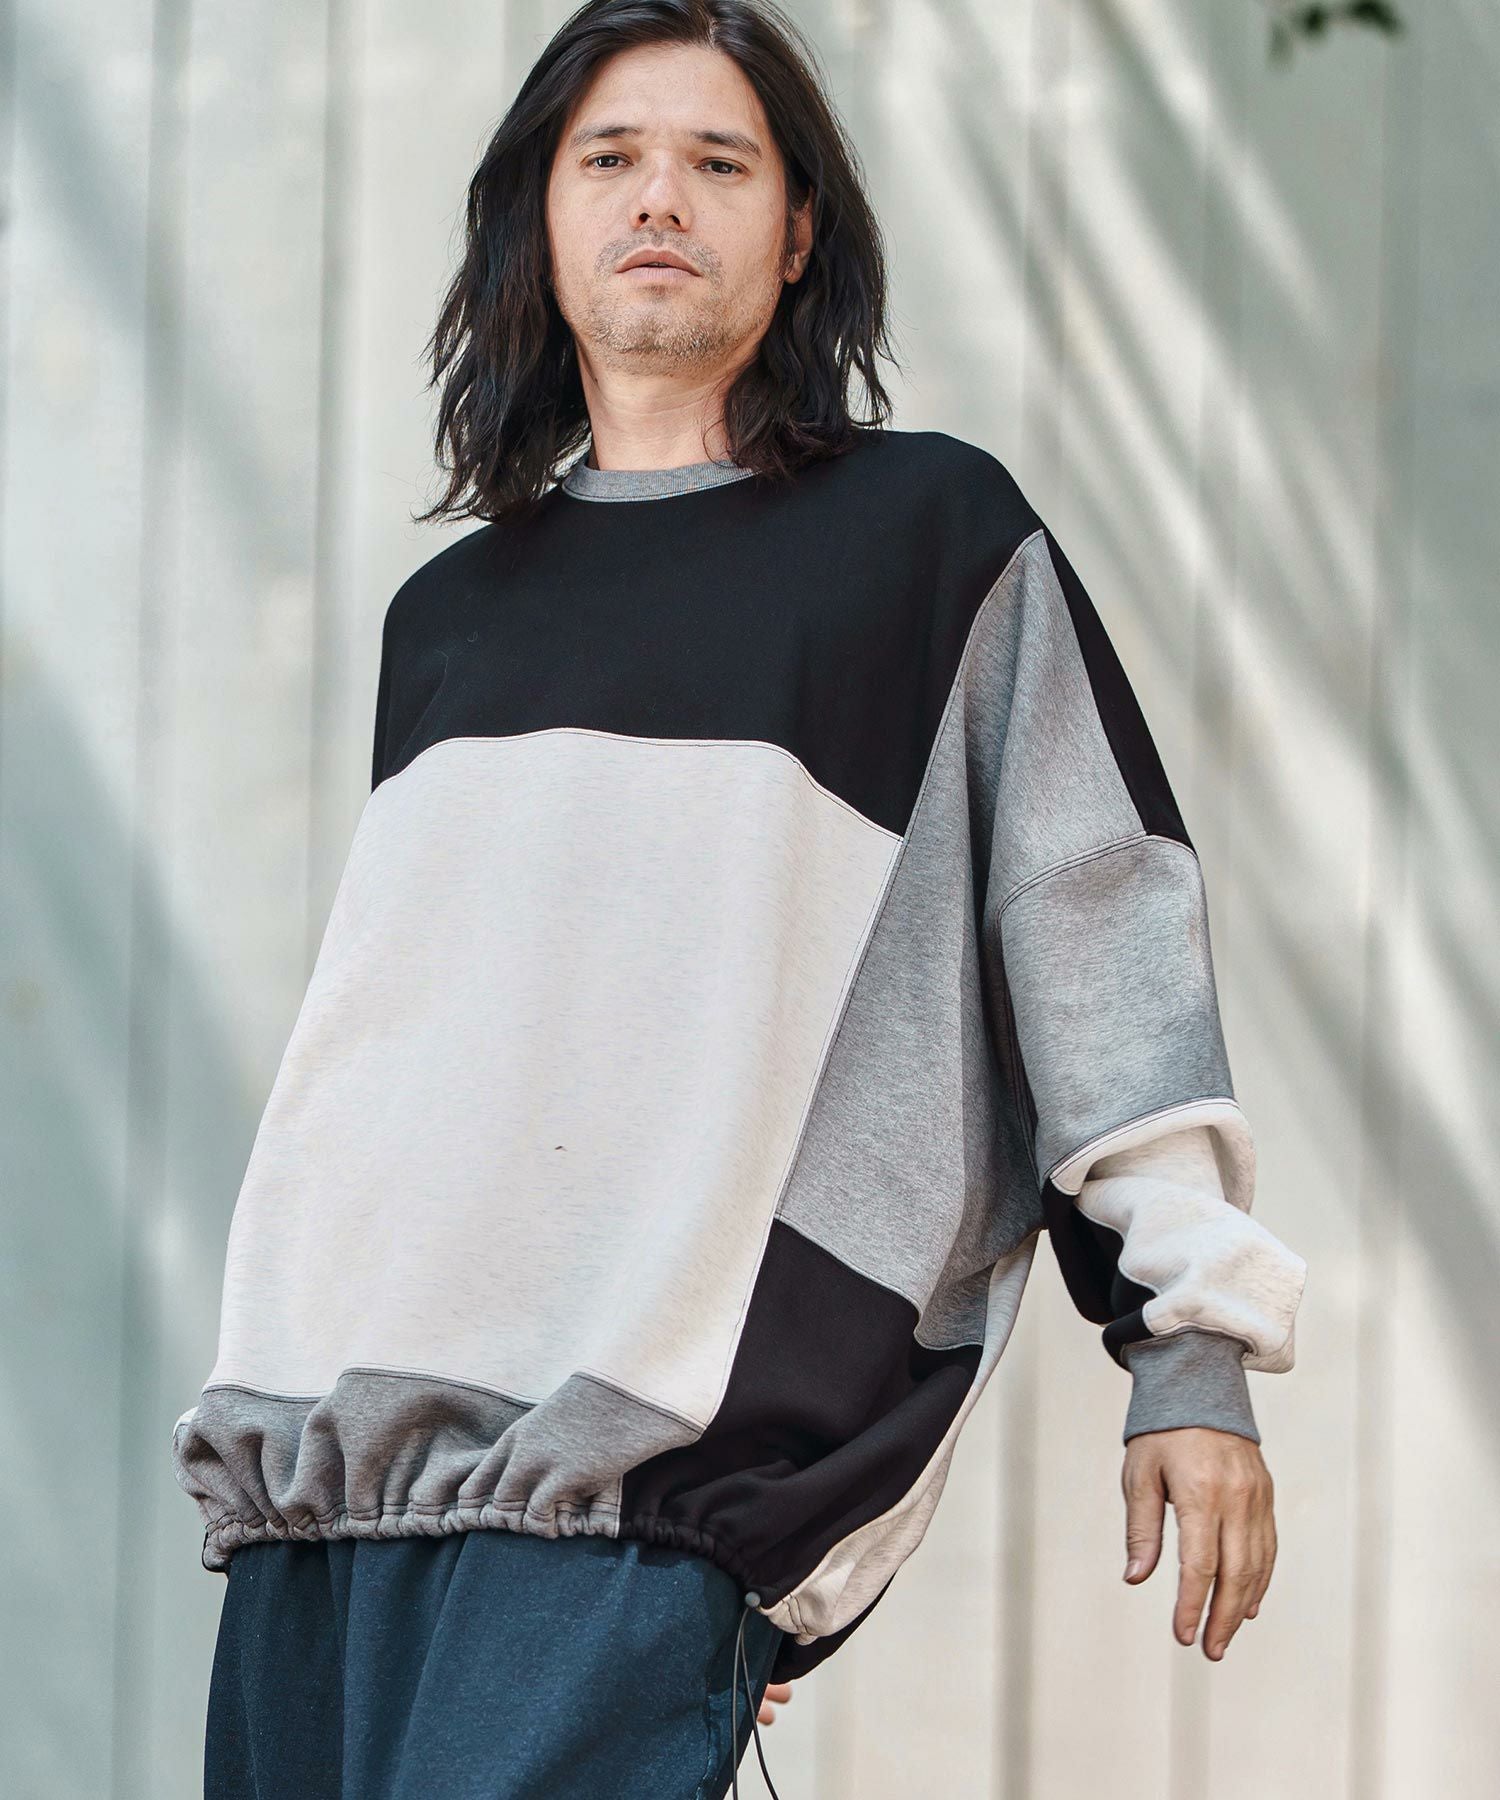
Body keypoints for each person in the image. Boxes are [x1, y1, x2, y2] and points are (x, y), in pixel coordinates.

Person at [171, 3, 1308, 1796]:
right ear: (539, 220)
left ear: (794, 238)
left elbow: (1097, 916)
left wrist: (1190, 1350)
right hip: (328, 1481)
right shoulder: (447, 619)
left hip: (640, 1488)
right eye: (610, 158)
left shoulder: (928, 540)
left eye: (719, 161)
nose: (659, 198)